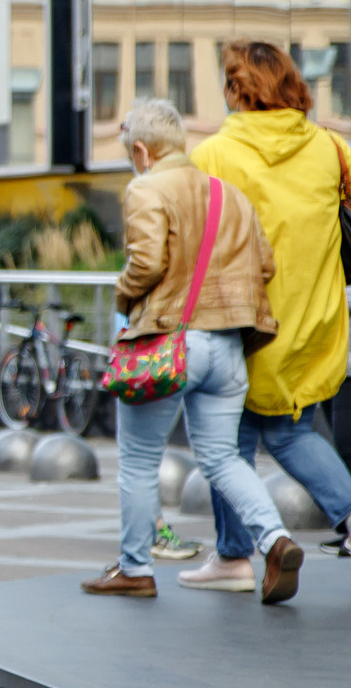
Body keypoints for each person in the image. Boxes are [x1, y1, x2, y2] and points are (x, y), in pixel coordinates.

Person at [85, 99, 305, 604]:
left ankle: (136, 568)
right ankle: (275, 540)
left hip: (168, 343)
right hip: (227, 346)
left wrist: (122, 294)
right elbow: (264, 266)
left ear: (141, 151)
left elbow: (145, 262)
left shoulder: (146, 188)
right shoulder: (231, 195)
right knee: (225, 458)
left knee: (140, 460)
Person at [185, 42, 351, 582]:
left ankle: (234, 556)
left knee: (226, 437)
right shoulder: (331, 148)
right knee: (289, 429)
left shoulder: (213, 154)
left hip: (243, 319)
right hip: (313, 318)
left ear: (238, 90)